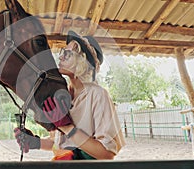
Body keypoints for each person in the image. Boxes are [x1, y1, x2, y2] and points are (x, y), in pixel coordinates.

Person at [14, 30, 125, 160]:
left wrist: (67, 128)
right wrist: (35, 142)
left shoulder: (98, 95)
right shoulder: (63, 93)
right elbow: (60, 143)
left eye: (67, 54)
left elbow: (106, 153)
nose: (60, 57)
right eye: (62, 52)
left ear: (82, 60)